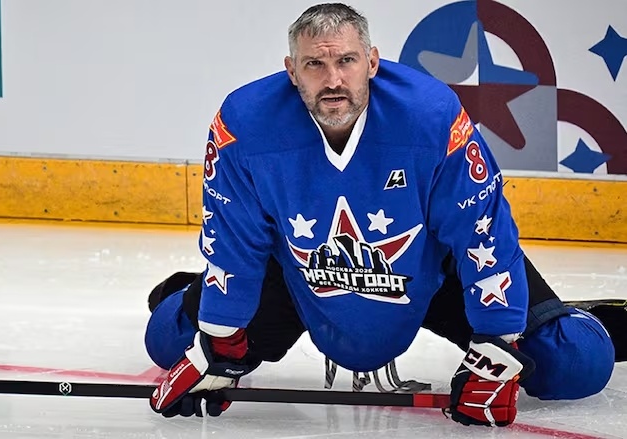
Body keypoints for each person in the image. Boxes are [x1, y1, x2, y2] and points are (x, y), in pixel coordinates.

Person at [145, 3, 619, 427]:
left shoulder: (430, 115)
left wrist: (497, 345)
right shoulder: (243, 123)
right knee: (167, 342)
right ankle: (185, 291)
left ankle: (564, 315)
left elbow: (482, 228)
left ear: (372, 62)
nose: (333, 80)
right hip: (296, 271)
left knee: (577, 363)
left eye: (346, 61)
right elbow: (234, 235)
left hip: (430, 268)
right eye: (315, 64)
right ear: (291, 71)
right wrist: (221, 337)